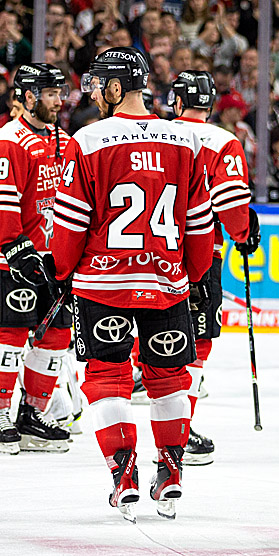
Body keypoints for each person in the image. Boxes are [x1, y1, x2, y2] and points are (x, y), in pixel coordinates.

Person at [49, 47, 215, 522]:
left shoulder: (88, 139)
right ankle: (171, 472)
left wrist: (60, 271)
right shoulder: (185, 139)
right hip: (167, 282)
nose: (94, 95)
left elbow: (71, 222)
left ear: (116, 87)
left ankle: (124, 476)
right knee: (170, 377)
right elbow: (200, 224)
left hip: (102, 283)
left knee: (106, 376)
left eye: (99, 86)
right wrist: (194, 276)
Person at [0, 63, 72, 455]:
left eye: (60, 93)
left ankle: (32, 413)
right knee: (10, 338)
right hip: (11, 260)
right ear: (29, 96)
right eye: (51, 94)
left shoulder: (64, 140)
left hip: (53, 259)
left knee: (56, 338)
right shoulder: (7, 141)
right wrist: (16, 249)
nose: (59, 101)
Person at [167, 70, 260, 465]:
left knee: (155, 334)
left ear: (176, 102)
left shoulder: (154, 134)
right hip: (201, 256)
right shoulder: (223, 141)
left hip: (148, 252)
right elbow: (232, 207)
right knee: (196, 342)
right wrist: (244, 233)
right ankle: (178, 431)